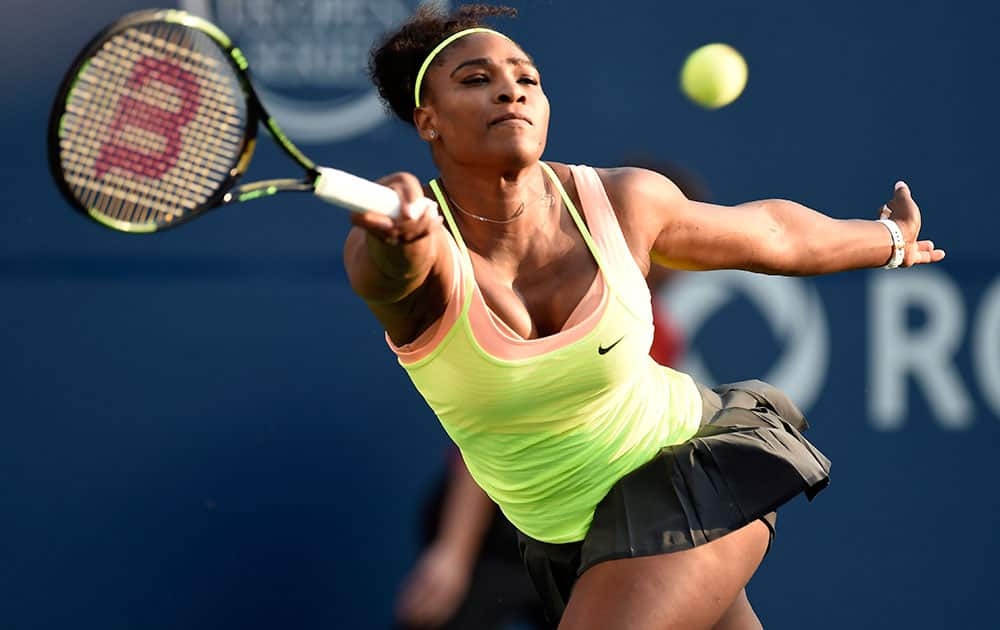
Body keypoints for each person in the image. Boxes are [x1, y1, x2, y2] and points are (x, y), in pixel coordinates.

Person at [347, 4, 946, 628]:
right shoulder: (405, 252)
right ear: (429, 121)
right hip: (573, 536)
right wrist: (401, 238)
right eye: (476, 79)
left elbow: (773, 234)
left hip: (688, 473)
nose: (510, 90)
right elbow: (389, 272)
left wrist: (891, 240)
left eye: (528, 78)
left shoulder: (622, 200)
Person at [394, 159, 702, 630]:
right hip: (494, 527)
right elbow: (495, 440)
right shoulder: (557, 292)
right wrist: (454, 555)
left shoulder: (657, 331)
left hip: (579, 531)